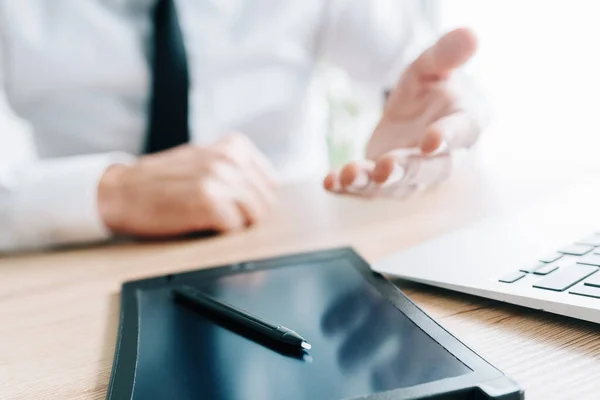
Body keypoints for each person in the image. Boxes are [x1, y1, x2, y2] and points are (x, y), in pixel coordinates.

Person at [0, 0, 486, 252]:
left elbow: (428, 74)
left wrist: (436, 124)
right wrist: (110, 192)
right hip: (83, 257)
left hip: (288, 239)